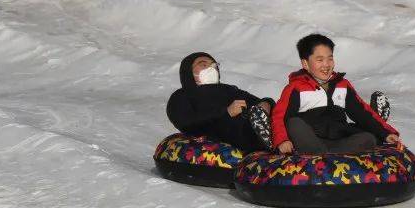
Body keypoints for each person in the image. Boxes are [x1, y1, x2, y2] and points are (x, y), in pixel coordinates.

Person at [271, 34, 400, 154]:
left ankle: (330, 157)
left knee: (367, 138)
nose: (326, 65)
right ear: (306, 64)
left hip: (340, 141)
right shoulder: (296, 88)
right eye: (320, 60)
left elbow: (362, 112)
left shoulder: (342, 85)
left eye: (330, 59)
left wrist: (386, 133)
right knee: (294, 124)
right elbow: (279, 116)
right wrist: (282, 140)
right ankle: (319, 157)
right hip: (310, 142)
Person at [167, 52, 274, 152]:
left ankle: (271, 134)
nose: (211, 68)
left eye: (214, 65)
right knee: (238, 127)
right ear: (188, 71)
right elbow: (186, 122)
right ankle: (260, 137)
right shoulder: (182, 96)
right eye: (203, 65)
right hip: (222, 134)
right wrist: (226, 113)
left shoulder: (229, 90)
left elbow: (254, 101)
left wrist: (266, 103)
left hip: (247, 125)